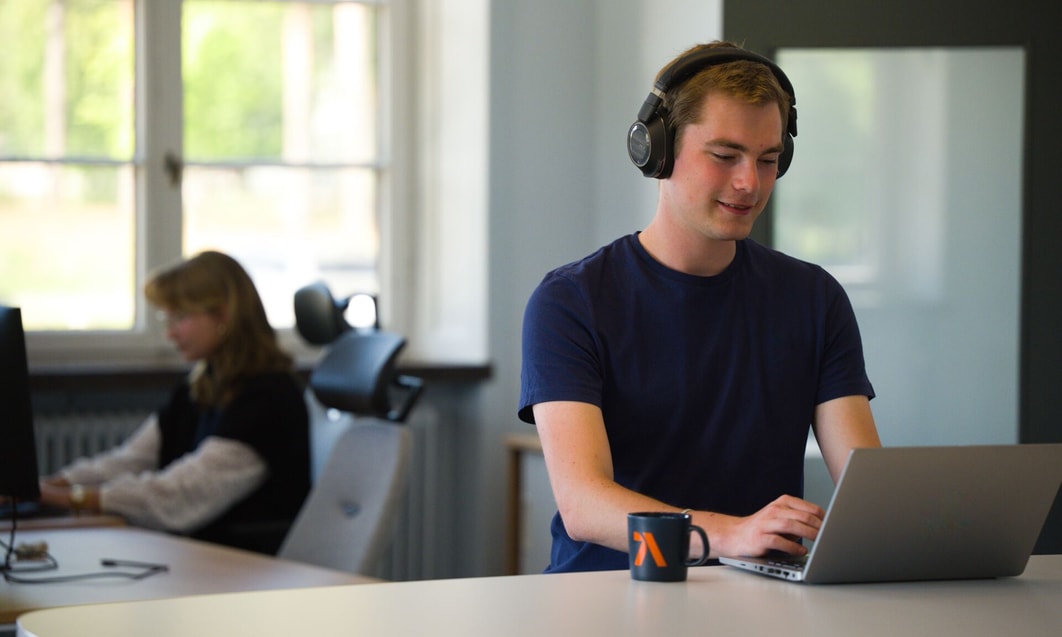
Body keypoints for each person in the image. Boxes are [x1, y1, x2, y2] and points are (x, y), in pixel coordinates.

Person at [519, 41, 882, 573]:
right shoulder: (571, 302)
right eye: (725, 155)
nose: (749, 183)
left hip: (761, 600)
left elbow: (864, 484)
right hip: (606, 596)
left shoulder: (814, 299)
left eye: (768, 159)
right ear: (657, 152)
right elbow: (583, 504)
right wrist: (732, 533)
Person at [38, 250, 311, 555]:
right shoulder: (202, 385)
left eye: (180, 318)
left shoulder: (268, 398)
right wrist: (51, 485)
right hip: (202, 557)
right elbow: (132, 459)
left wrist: (67, 498)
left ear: (222, 315)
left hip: (243, 567)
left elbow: (178, 497)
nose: (169, 333)